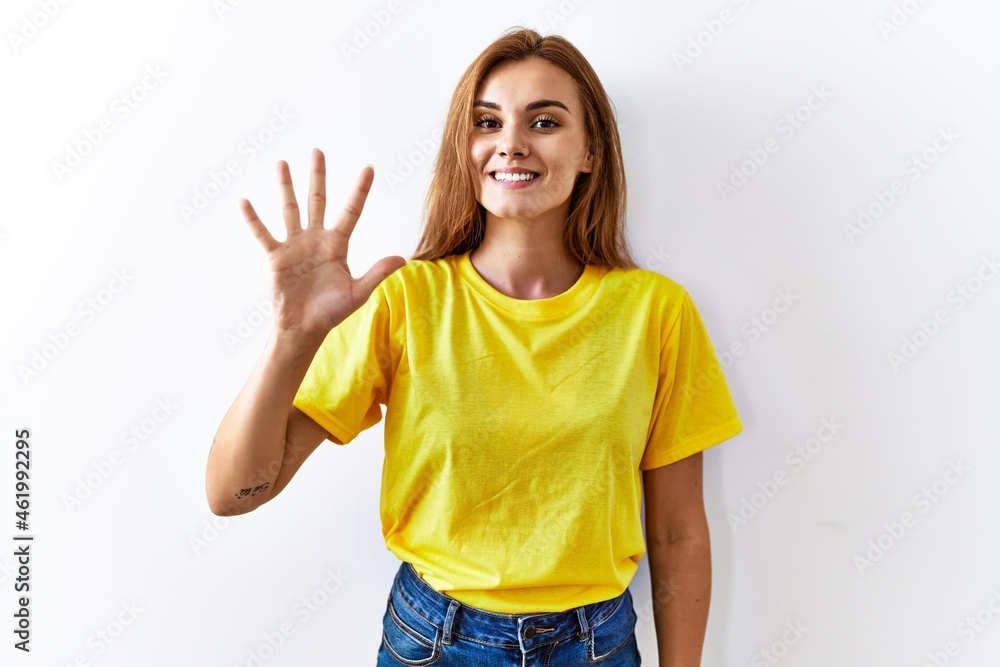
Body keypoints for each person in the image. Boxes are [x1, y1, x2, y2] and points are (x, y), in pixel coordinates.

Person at [206, 26, 743, 667]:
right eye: (486, 121)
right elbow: (232, 493)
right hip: (435, 643)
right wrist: (290, 341)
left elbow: (679, 533)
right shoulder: (407, 299)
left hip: (598, 647)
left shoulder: (657, 312)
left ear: (590, 151)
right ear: (466, 147)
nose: (510, 143)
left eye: (544, 121)